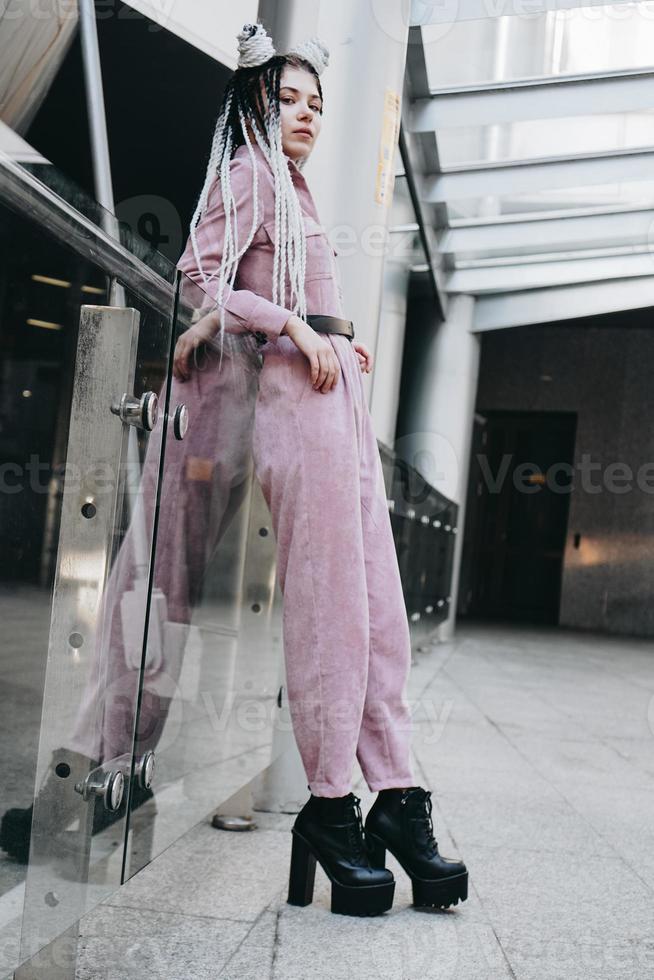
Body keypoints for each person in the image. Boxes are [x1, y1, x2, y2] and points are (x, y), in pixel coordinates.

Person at [175, 23, 468, 917]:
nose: (304, 115)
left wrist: (338, 333)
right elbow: (199, 276)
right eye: (287, 99)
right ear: (253, 104)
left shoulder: (293, 186)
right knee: (334, 606)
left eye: (315, 104)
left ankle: (397, 793)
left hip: (330, 401)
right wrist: (298, 327)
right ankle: (331, 802)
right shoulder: (250, 173)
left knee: (377, 608)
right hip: (287, 403)